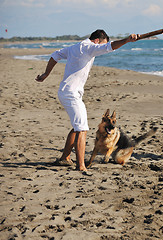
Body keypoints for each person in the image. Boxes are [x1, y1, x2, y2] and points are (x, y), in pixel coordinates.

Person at [35, 29, 139, 171]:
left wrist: (46, 74)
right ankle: (81, 166)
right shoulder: (89, 47)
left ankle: (65, 158)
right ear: (97, 40)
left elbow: (55, 55)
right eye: (102, 44)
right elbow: (110, 47)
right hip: (70, 93)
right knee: (82, 129)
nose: (100, 48)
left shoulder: (75, 47)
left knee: (78, 126)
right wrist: (127, 40)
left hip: (68, 92)